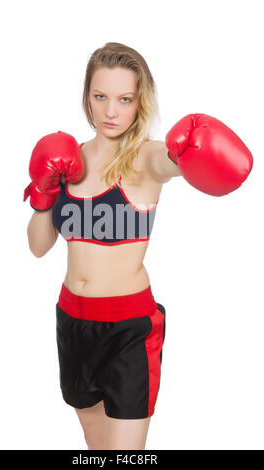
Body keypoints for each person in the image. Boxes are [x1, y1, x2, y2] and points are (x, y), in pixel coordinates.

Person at [24, 42, 253, 450]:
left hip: (129, 329)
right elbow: (39, 248)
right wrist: (43, 197)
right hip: (72, 323)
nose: (111, 111)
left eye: (125, 99)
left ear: (139, 102)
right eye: (101, 97)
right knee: (97, 449)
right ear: (87, 98)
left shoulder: (145, 159)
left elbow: (172, 161)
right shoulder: (67, 160)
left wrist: (186, 150)